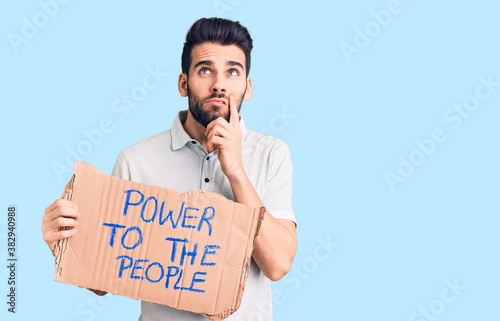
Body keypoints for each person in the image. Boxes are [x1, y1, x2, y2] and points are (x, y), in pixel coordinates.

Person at [42, 17, 297, 320]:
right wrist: (65, 243)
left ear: (247, 87)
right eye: (205, 70)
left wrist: (236, 171)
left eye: (232, 71)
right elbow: (104, 278)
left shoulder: (272, 154)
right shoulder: (136, 160)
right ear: (183, 83)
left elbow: (278, 265)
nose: (219, 84)